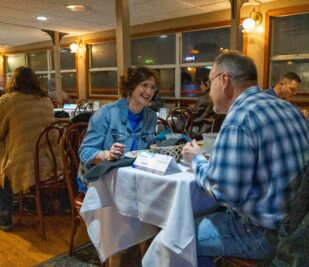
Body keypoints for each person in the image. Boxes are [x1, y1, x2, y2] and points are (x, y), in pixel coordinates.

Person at [181, 51, 309, 266]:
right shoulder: (290, 109)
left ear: (224, 80)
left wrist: (197, 160)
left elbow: (225, 191)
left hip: (264, 234)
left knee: (178, 235)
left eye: (210, 82)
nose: (208, 91)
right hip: (298, 227)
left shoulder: (239, 118)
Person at [0, 66, 57, 231]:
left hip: (24, 162)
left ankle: (5, 214)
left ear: (13, 81)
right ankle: (34, 201)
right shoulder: (45, 99)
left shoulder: (8, 100)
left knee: (3, 164)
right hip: (49, 159)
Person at [79, 66, 157, 167]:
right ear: (131, 87)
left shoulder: (151, 116)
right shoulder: (106, 113)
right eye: (144, 85)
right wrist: (107, 155)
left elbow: (149, 150)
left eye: (152, 87)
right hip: (101, 176)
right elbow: (85, 152)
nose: (149, 92)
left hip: (132, 174)